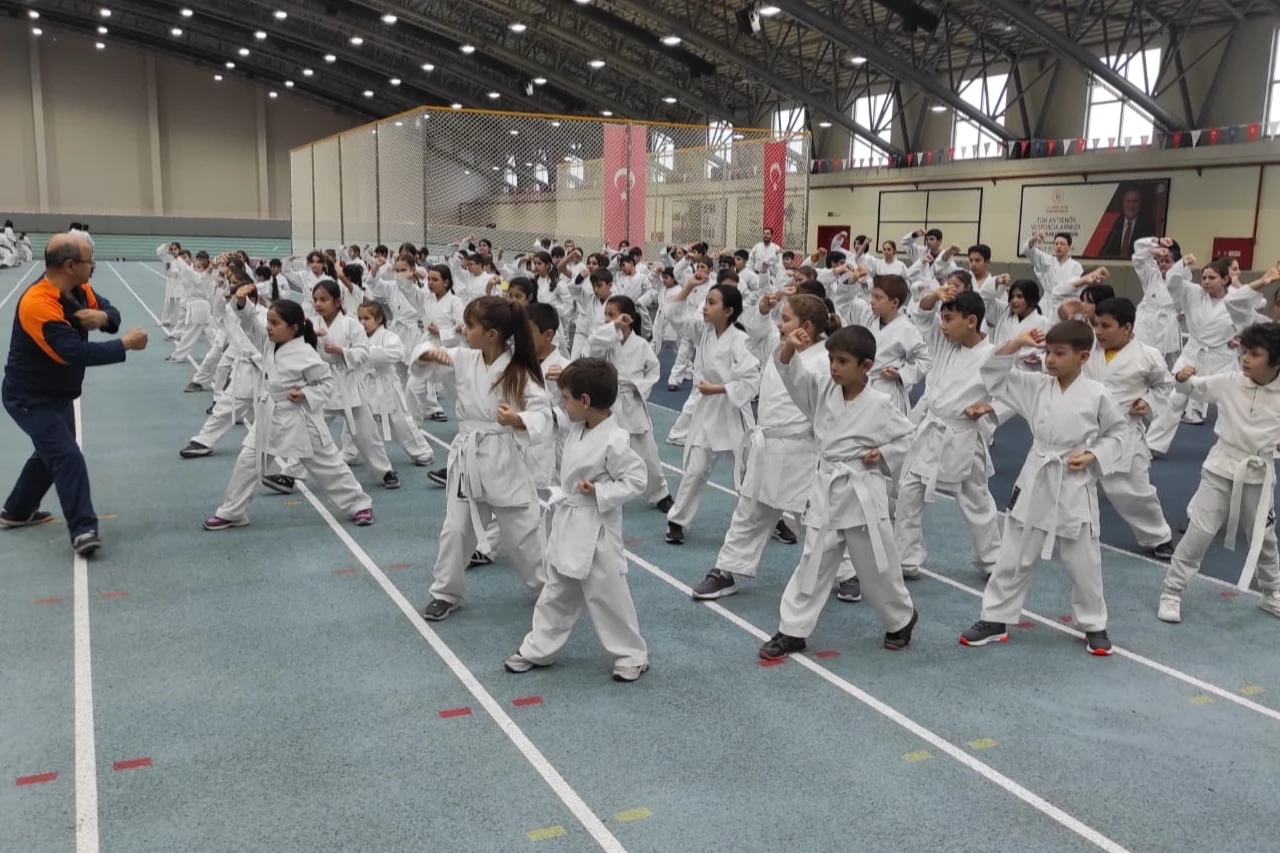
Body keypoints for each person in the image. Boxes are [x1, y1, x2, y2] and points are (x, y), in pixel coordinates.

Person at [959, 322, 1126, 655]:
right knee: (1014, 554)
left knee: (1084, 562)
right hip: (1037, 475)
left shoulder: (1097, 394)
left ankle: (1093, 623)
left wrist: (1093, 454)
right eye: (1047, 351)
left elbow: (1119, 433)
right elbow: (993, 375)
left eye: (1059, 353)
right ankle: (995, 617)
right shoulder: (1034, 386)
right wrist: (1017, 343)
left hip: (1074, 481)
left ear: (1082, 357)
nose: (1050, 359)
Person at [760, 325, 920, 660]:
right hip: (827, 488)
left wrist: (884, 455)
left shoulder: (880, 403)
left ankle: (900, 618)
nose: (833, 367)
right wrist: (789, 348)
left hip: (862, 490)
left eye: (842, 361)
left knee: (878, 566)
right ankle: (793, 629)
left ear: (866, 366)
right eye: (831, 359)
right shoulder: (820, 392)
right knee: (812, 561)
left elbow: (907, 438)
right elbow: (792, 375)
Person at [503, 358, 650, 683]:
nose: (562, 405)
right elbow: (552, 419)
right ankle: (538, 647)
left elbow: (637, 480)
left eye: (567, 398)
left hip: (597, 530)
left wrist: (600, 490)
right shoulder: (578, 425)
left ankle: (631, 655)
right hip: (569, 523)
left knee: (609, 595)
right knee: (556, 591)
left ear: (585, 402)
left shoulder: (615, 440)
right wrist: (520, 419)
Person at [1, 234, 149, 556]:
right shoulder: (38, 303)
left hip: (59, 393)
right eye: (88, 261)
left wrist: (105, 318)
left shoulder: (79, 289)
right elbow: (73, 352)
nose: (93, 266)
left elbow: (110, 310)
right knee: (66, 456)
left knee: (50, 452)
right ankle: (83, 530)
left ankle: (17, 510)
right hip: (29, 398)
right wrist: (124, 344)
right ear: (70, 265)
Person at [1157, 323, 1280, 623]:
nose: (1245, 359)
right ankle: (1172, 592)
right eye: (1244, 352)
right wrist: (1183, 378)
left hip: (1260, 473)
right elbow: (1192, 387)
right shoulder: (1229, 381)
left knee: (1264, 538)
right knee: (1199, 533)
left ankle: (1272, 593)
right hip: (1221, 467)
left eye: (1255, 354)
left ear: (1275, 361)